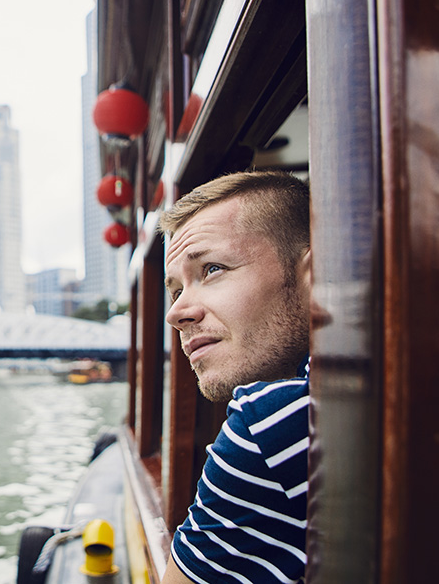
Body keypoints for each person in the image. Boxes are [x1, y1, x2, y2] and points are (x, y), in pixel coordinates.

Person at [157, 170, 314, 584]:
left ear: (315, 278)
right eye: (175, 291)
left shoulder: (268, 421)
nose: (176, 314)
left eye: (211, 269)